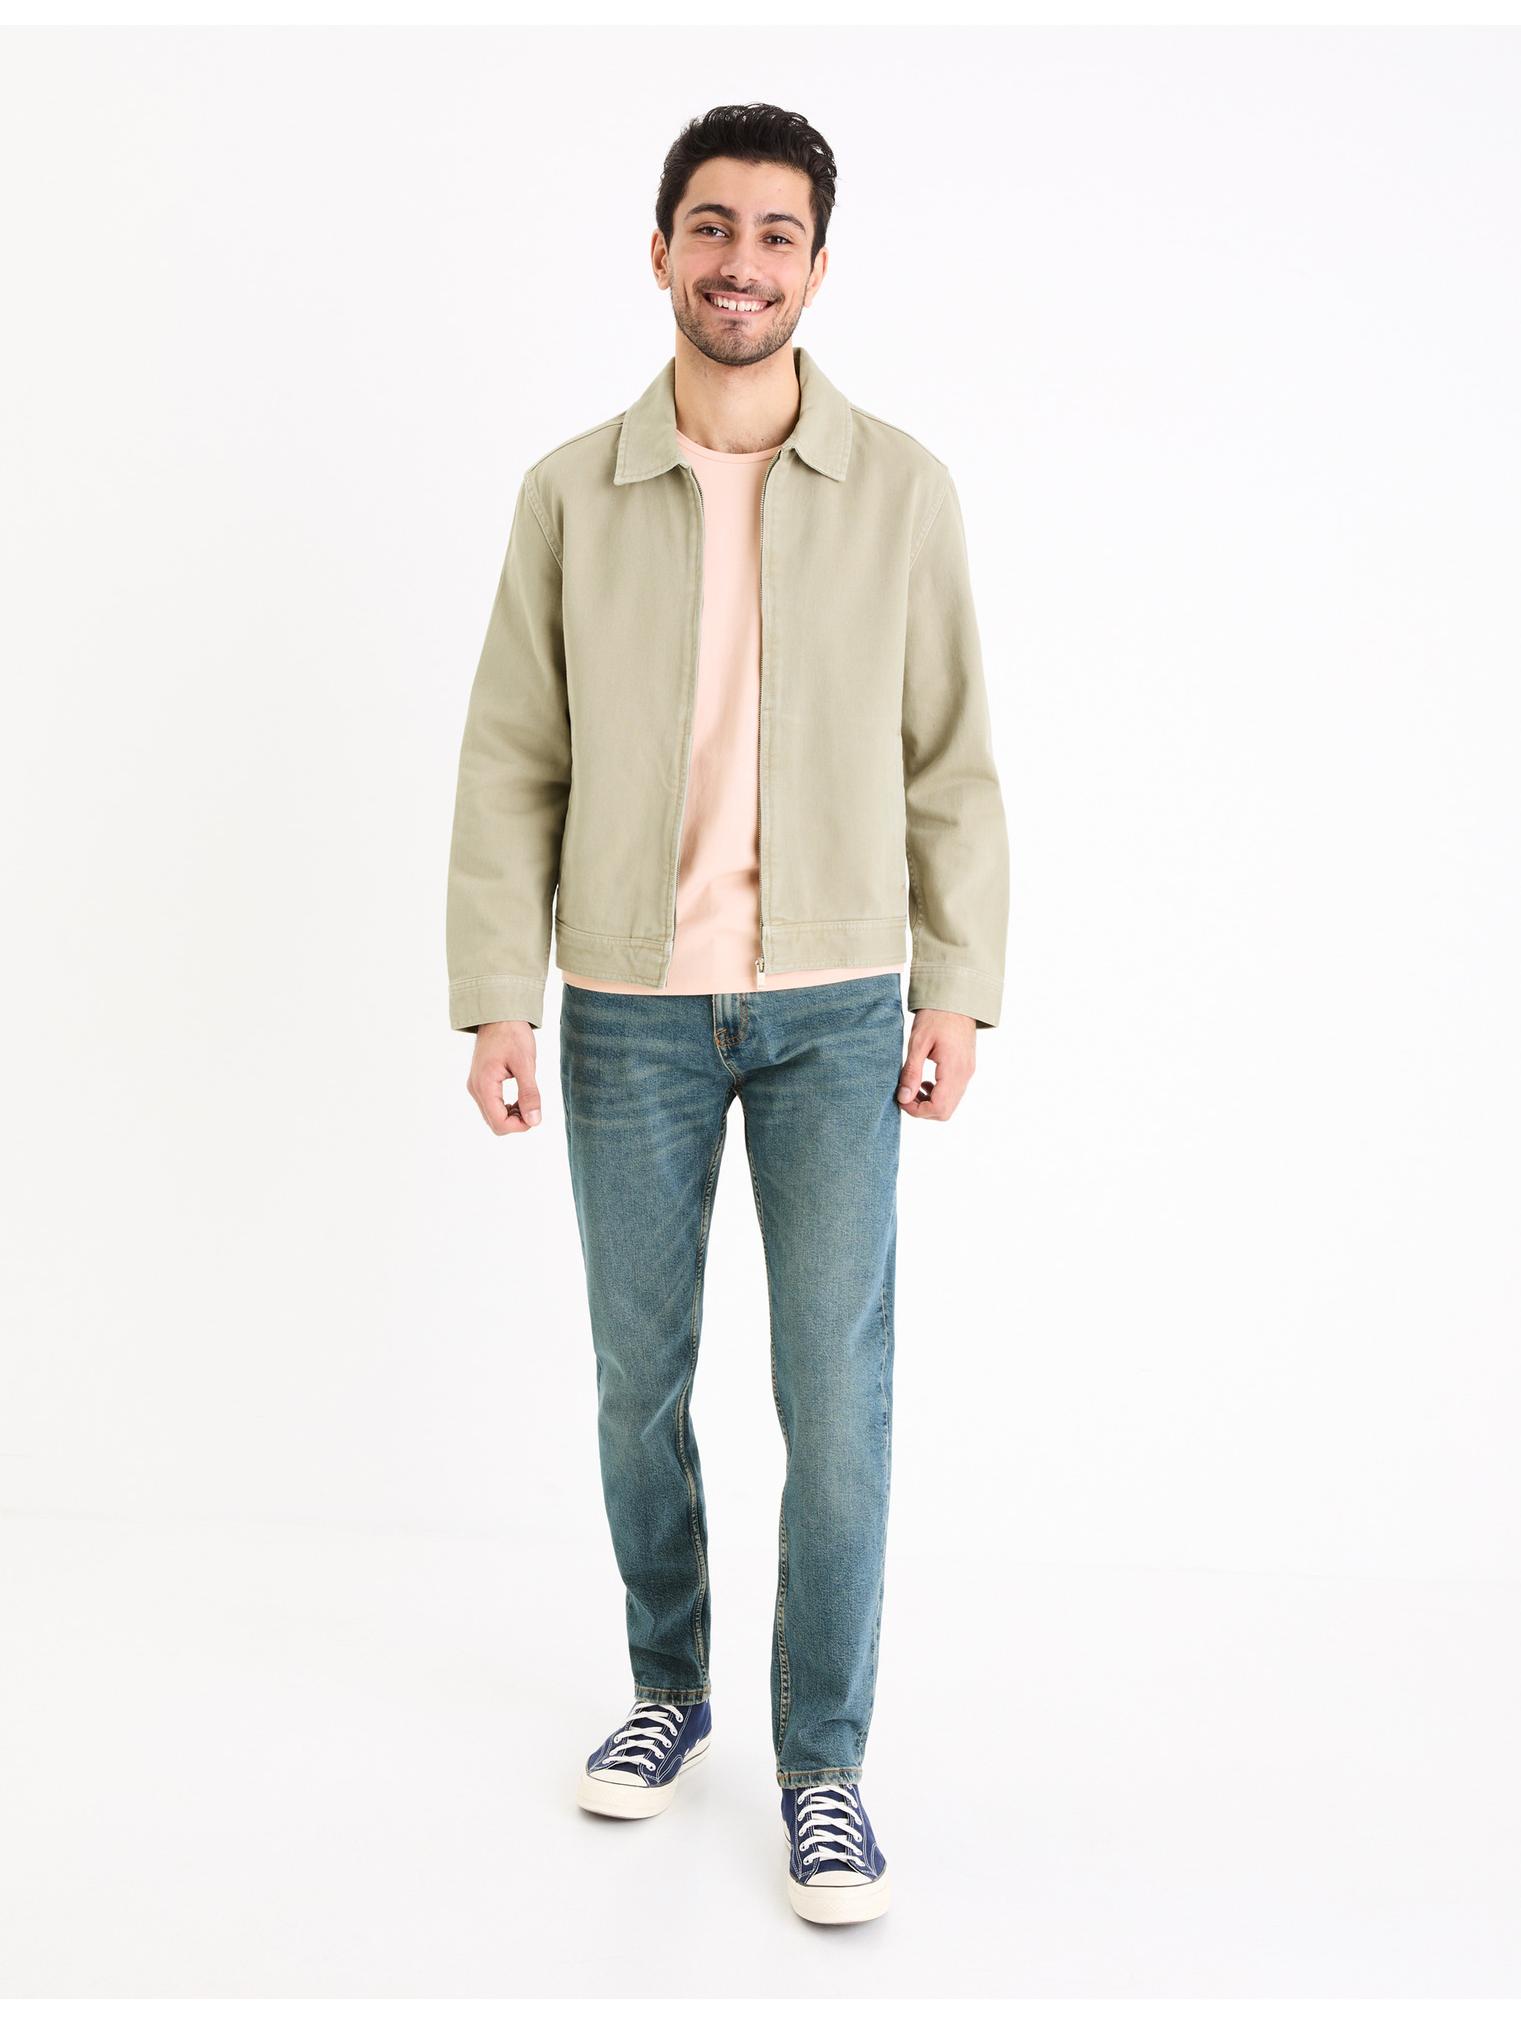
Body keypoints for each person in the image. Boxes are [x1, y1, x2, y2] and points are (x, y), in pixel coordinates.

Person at [447, 102, 1009, 1926]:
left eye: (776, 235)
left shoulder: (901, 490)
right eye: (711, 227)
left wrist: (959, 984)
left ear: (818, 269)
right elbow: (511, 757)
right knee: (641, 1381)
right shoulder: (570, 495)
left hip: (839, 1008)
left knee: (836, 1398)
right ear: (661, 251)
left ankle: (823, 1767)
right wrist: (497, 997)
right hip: (623, 1006)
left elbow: (950, 760)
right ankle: (668, 1689)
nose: (740, 263)